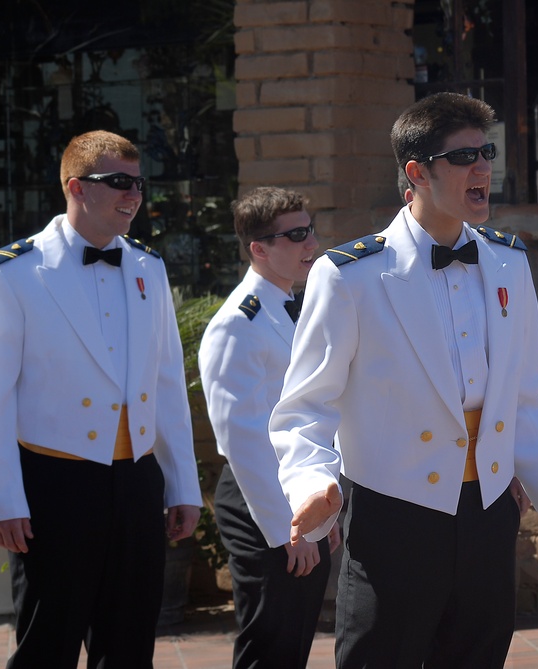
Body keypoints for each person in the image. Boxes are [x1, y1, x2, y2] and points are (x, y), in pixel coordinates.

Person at [269, 91, 538, 668]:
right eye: (463, 157)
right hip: (393, 520)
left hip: (488, 516)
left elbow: (527, 403)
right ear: (416, 173)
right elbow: (305, 407)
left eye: (486, 152)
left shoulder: (509, 261)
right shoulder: (350, 276)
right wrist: (314, 487)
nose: (483, 167)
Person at [0, 130, 202, 669]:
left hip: (137, 480)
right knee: (48, 640)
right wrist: (1, 499)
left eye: (138, 184)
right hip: (55, 482)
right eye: (118, 182)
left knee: (130, 643)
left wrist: (182, 485)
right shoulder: (11, 272)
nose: (133, 195)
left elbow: (167, 382)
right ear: (76, 187)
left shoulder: (148, 266)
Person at [198, 187, 341, 669]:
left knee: (294, 641)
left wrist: (322, 509)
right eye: (296, 235)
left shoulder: (295, 306)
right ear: (258, 249)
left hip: (299, 494)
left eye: (310, 230)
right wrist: (288, 530)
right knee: (270, 643)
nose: (311, 244)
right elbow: (242, 440)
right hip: (261, 499)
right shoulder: (235, 326)